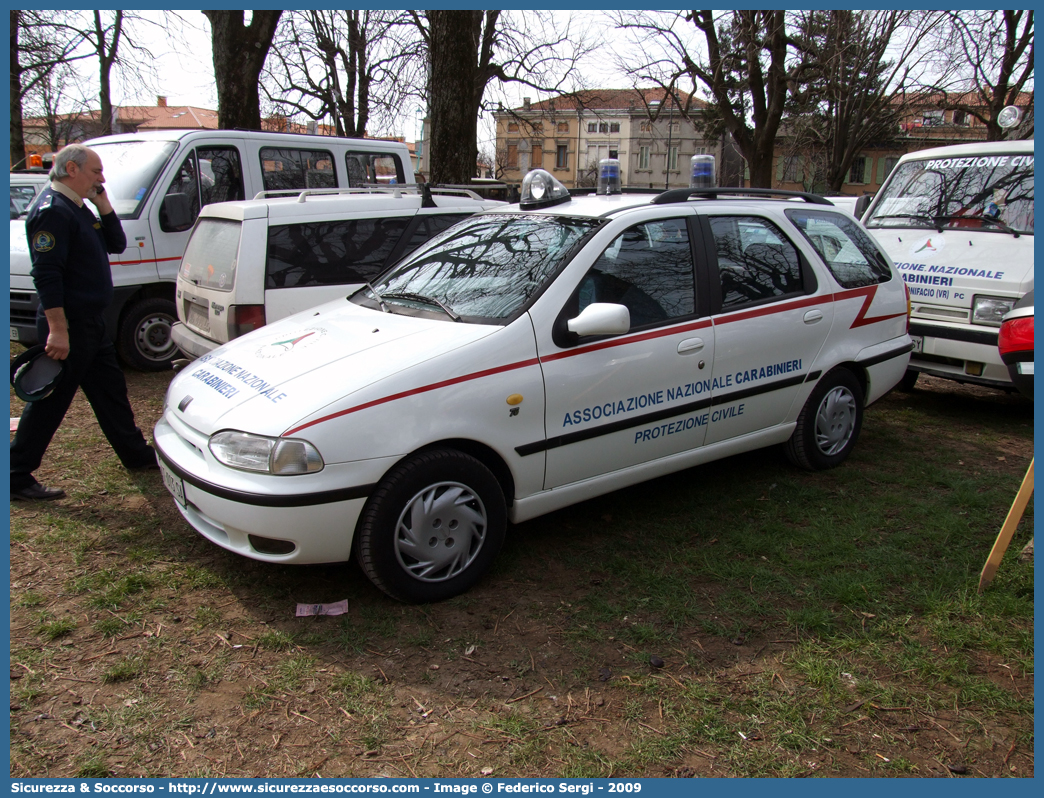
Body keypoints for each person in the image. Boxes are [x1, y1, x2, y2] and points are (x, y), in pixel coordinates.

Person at [10, 144, 157, 501]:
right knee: (50, 403)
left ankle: (136, 455)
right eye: (95, 172)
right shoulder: (52, 212)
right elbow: (47, 276)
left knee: (111, 393)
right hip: (70, 326)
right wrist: (58, 331)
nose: (101, 178)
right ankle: (14, 474)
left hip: (92, 324)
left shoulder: (78, 208)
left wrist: (104, 203)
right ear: (71, 170)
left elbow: (117, 243)